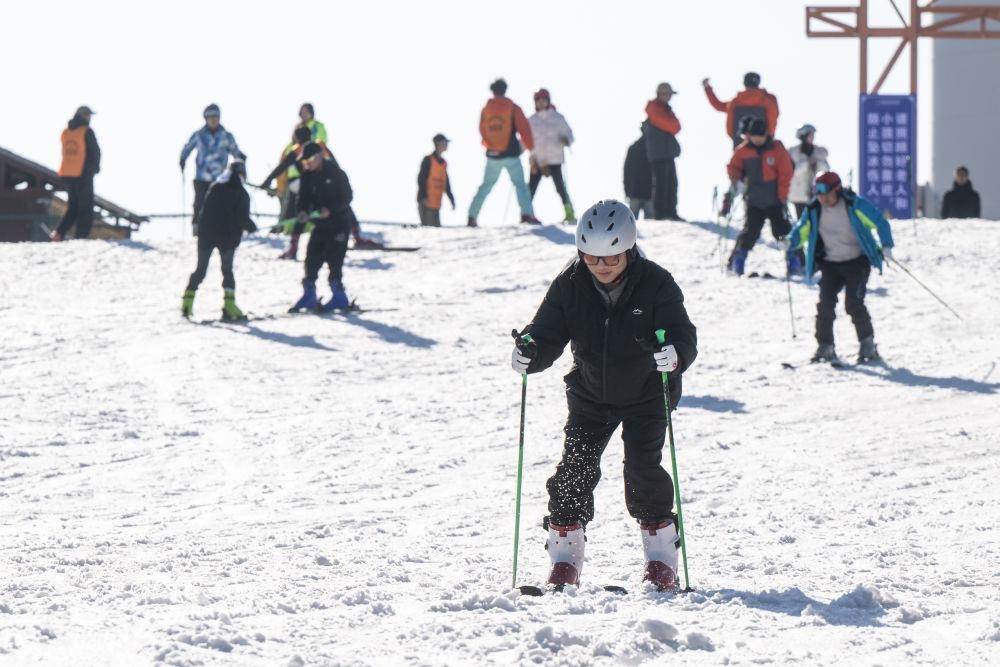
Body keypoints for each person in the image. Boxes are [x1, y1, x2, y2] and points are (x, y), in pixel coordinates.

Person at [511, 199, 698, 591]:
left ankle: (661, 560)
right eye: (592, 257)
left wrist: (675, 355)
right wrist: (531, 350)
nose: (602, 266)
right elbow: (546, 330)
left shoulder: (656, 282)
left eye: (612, 258)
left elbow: (682, 333)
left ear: (629, 250)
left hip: (647, 393)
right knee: (573, 470)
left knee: (642, 470)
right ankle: (564, 561)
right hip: (591, 394)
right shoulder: (570, 284)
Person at [788, 171, 895, 364]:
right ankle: (825, 346)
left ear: (837, 190)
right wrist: (789, 241)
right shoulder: (813, 209)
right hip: (830, 263)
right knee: (825, 305)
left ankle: (868, 345)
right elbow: (801, 230)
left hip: (857, 262)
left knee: (854, 303)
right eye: (819, 194)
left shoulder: (854, 204)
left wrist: (886, 245)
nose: (824, 199)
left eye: (827, 194)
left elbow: (879, 221)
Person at [181, 161, 257, 320]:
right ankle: (229, 305)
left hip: (206, 235)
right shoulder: (242, 193)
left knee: (200, 270)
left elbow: (204, 210)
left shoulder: (216, 187)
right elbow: (242, 219)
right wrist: (252, 227)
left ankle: (187, 302)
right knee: (227, 271)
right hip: (227, 238)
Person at [289, 143, 357, 312]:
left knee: (335, 260)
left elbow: (347, 197)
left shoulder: (335, 172)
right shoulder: (307, 175)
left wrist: (330, 209)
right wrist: (302, 211)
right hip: (320, 225)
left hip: (339, 224)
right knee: (312, 258)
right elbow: (302, 198)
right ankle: (309, 294)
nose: (308, 164)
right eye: (305, 161)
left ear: (319, 156)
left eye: (310, 160)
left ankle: (339, 296)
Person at [725, 118, 793, 275]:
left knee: (782, 231)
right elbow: (733, 167)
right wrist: (736, 179)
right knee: (751, 231)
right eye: (754, 136)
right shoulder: (742, 151)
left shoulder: (777, 149)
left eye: (760, 136)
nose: (757, 139)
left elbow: (786, 173)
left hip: (775, 199)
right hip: (753, 200)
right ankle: (736, 261)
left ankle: (795, 260)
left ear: (766, 134)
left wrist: (783, 195)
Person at [467, 78, 540, 227]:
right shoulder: (512, 107)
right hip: (511, 155)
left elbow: (481, 129)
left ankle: (472, 215)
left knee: (486, 186)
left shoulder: (486, 109)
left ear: (492, 91)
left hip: (492, 155)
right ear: (505, 90)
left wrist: (489, 145)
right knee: (520, 185)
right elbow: (524, 129)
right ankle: (527, 214)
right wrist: (531, 148)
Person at [180, 104, 246, 236]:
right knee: (199, 203)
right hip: (202, 177)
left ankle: (221, 228)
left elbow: (235, 151)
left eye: (215, 116)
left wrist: (241, 161)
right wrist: (182, 159)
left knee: (221, 204)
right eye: (210, 117)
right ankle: (197, 228)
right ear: (205, 118)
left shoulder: (226, 136)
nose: (213, 119)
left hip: (221, 179)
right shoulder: (199, 135)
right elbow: (188, 148)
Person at [262, 125, 320, 260]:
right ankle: (355, 234)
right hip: (318, 186)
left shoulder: (297, 150)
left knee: (299, 214)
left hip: (299, 186)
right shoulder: (319, 147)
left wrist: (266, 182)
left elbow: (281, 167)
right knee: (313, 214)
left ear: (297, 138)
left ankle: (293, 248)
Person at [527, 88, 576, 223]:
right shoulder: (531, 120)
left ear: (548, 101)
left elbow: (569, 134)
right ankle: (526, 213)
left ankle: (569, 212)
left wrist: (567, 140)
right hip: (537, 160)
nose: (541, 103)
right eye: (538, 100)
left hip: (555, 159)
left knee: (560, 187)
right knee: (530, 189)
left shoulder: (558, 118)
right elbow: (526, 140)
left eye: (543, 100)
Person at [53, 106, 101, 241]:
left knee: (73, 207)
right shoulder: (86, 131)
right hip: (83, 174)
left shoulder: (66, 132)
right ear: (81, 115)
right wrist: (94, 168)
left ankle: (58, 234)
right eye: (87, 114)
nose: (89, 117)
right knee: (86, 208)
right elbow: (95, 152)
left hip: (68, 175)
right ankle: (81, 238)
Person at [702, 72, 780, 148]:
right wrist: (768, 136)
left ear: (744, 83)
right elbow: (774, 116)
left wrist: (707, 88)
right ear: (758, 82)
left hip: (740, 144)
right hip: (765, 145)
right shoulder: (769, 100)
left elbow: (718, 105)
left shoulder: (735, 102)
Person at [643, 83, 683, 221]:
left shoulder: (665, 109)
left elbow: (676, 127)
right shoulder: (654, 108)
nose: (670, 97)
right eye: (668, 94)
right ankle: (660, 214)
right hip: (659, 153)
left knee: (672, 183)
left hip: (667, 152)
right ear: (661, 94)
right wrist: (671, 124)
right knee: (661, 184)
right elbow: (673, 126)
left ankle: (671, 212)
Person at [788, 123, 831, 219]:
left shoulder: (819, 152)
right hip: (799, 196)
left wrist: (817, 163)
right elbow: (792, 172)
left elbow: (826, 170)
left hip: (817, 193)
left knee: (816, 219)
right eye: (810, 135)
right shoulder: (793, 152)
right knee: (802, 220)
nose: (812, 137)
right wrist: (807, 163)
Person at [416, 133, 456, 227]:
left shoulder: (444, 163)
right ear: (438, 144)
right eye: (444, 142)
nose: (446, 145)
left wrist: (451, 199)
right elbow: (421, 179)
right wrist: (423, 197)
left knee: (436, 230)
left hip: (436, 204)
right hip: (426, 203)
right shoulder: (428, 160)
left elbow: (446, 184)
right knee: (429, 230)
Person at [623, 132, 653, 220]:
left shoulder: (633, 148)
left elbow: (626, 171)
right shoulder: (654, 149)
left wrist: (627, 191)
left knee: (631, 222)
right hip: (650, 192)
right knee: (651, 223)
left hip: (634, 192)